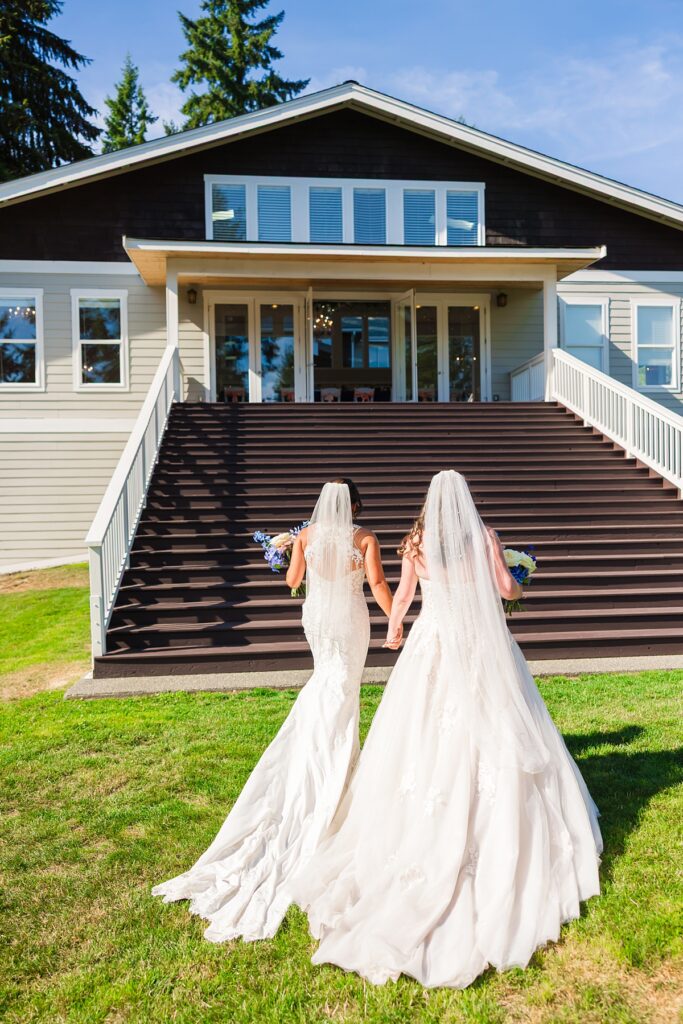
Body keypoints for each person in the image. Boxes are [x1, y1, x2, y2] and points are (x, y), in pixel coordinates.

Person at [292, 470, 602, 988]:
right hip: (481, 646)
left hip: (432, 646)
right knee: (493, 725)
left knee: (422, 734)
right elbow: (506, 590)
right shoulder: (483, 537)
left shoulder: (415, 544)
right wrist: (515, 580)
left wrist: (395, 628)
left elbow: (404, 596)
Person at [152, 478, 394, 942]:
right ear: (356, 505)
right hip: (349, 621)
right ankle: (336, 773)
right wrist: (396, 621)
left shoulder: (306, 536)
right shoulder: (364, 538)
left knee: (326, 684)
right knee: (343, 690)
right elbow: (378, 583)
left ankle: (322, 757)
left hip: (317, 620)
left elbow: (293, 582)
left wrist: (286, 554)